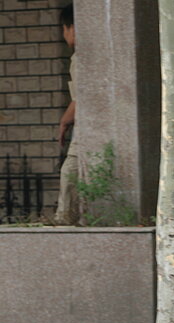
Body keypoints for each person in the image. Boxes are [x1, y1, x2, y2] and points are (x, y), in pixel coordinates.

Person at [54, 4, 80, 225]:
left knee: (70, 171)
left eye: (64, 28)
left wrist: (64, 122)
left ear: (72, 28)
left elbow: (80, 99)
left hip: (86, 129)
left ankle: (65, 220)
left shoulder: (80, 58)